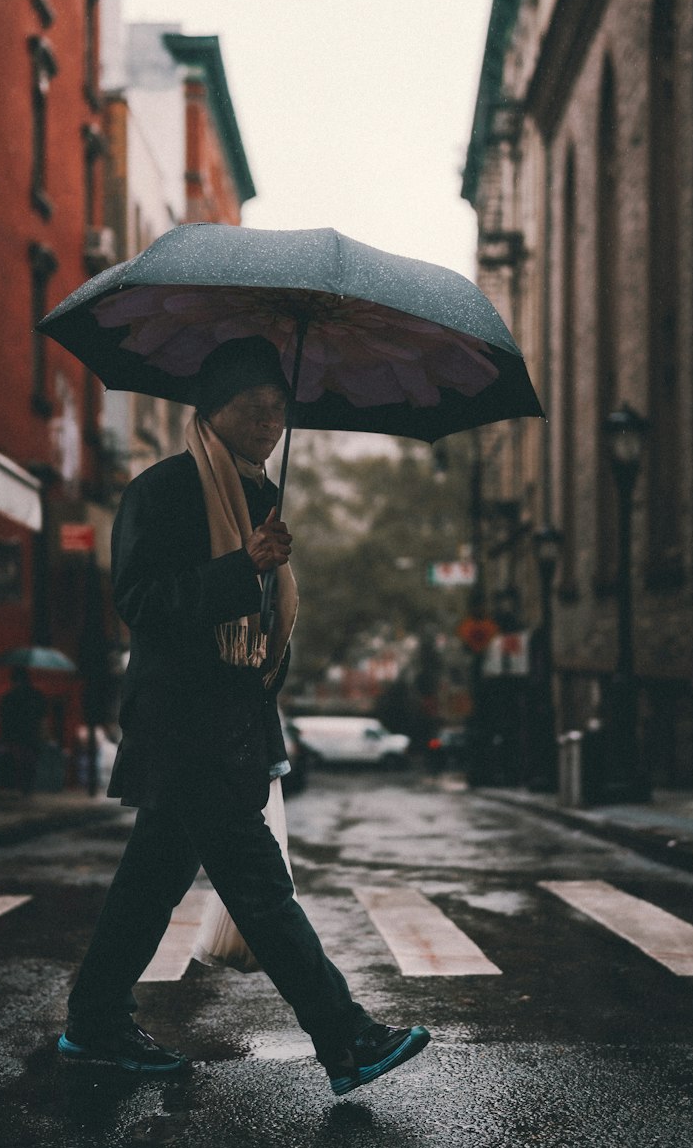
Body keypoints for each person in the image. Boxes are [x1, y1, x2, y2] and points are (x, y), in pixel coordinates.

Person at [58, 336, 430, 1095]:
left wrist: (265, 633)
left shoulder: (263, 499)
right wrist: (244, 568)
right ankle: (346, 1038)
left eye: (280, 410)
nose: (271, 424)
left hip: (229, 728)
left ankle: (93, 1022)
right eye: (255, 408)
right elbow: (140, 602)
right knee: (261, 889)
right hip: (184, 728)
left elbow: (262, 631)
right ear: (214, 410)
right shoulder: (161, 492)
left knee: (149, 884)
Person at [0, 665, 48, 795]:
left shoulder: (10, 697)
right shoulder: (36, 695)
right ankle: (27, 788)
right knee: (28, 763)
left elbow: (5, 719)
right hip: (30, 735)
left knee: (21, 763)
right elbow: (42, 717)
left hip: (18, 736)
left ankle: (23, 788)